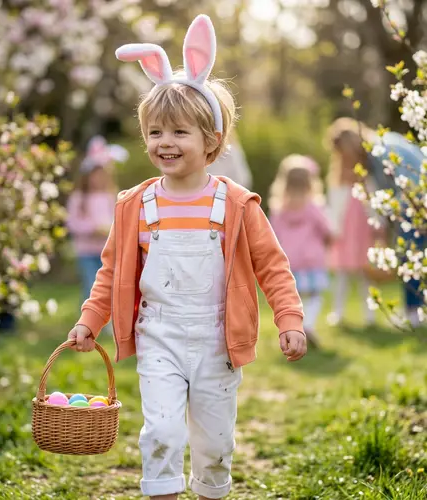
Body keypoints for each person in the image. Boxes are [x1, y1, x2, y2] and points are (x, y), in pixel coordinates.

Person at [66, 15, 306, 500]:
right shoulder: (136, 204)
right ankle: (162, 492)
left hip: (217, 339)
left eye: (179, 132)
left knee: (215, 443)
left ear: (212, 139)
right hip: (160, 337)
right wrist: (90, 320)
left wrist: (290, 319)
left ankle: (210, 490)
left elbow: (272, 266)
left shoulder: (236, 203)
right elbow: (111, 272)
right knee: (163, 433)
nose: (165, 143)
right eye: (155, 132)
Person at [326, 118, 425, 326]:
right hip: (416, 199)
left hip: (416, 201)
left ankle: (414, 311)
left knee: (411, 253)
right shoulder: (383, 141)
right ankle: (414, 308)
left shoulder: (379, 153)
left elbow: (403, 184)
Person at [269, 155, 332, 348]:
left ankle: (294, 329)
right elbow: (328, 230)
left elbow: (272, 235)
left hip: (289, 261)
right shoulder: (314, 207)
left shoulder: (279, 209)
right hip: (312, 260)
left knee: (293, 299)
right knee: (314, 296)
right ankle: (309, 325)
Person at [66, 136, 128, 302]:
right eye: (95, 175)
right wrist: (92, 228)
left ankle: (106, 320)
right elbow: (73, 223)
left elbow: (118, 219)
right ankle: (87, 319)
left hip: (106, 250)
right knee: (90, 285)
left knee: (108, 285)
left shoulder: (111, 196)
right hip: (86, 250)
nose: (98, 179)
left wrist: (111, 230)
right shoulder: (80, 197)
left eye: (102, 175)